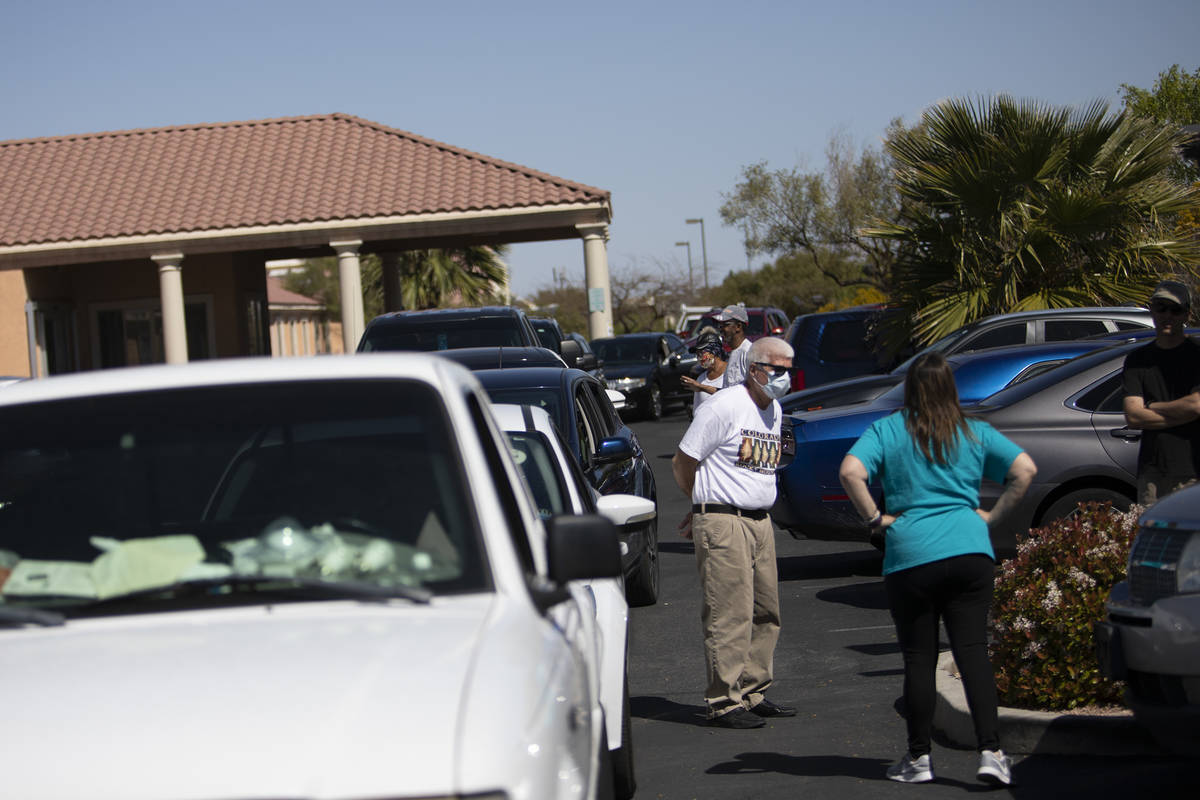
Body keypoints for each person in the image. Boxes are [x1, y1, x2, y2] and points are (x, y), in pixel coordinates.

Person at [837, 352, 1036, 786]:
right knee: (973, 653)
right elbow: (1024, 469)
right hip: (969, 550)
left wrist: (875, 520)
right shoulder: (973, 430)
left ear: (909, 389)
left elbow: (850, 471)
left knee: (918, 658)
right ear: (951, 388)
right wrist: (992, 517)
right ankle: (991, 752)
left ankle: (919, 758)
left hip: (910, 555)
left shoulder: (887, 429)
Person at [671, 336, 796, 729]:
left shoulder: (773, 410)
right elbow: (683, 460)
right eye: (774, 369)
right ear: (754, 369)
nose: (781, 377)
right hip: (724, 521)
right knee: (729, 612)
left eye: (788, 370)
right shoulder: (723, 406)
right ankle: (724, 700)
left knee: (765, 611)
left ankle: (753, 689)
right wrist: (702, 504)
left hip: (760, 521)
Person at [1121, 279, 1200, 505]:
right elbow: (1134, 416)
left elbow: (1196, 406)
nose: (1168, 315)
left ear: (1186, 315)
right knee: (1153, 537)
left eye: (1175, 310)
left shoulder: (1196, 355)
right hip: (1152, 472)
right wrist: (1183, 413)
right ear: (1152, 310)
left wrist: (1154, 407)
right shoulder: (1137, 360)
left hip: (1192, 470)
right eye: (1161, 307)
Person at [680, 331, 727, 413]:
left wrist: (701, 387)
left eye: (702, 353)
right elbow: (697, 412)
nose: (699, 358)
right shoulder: (701, 379)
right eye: (697, 354)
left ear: (714, 351)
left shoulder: (731, 372)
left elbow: (731, 398)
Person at [714, 304, 753, 387]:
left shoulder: (749, 352)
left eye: (725, 325)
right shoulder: (733, 353)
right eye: (720, 326)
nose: (721, 329)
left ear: (738, 327)